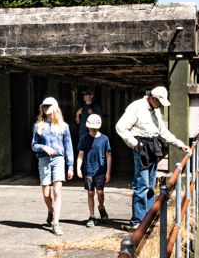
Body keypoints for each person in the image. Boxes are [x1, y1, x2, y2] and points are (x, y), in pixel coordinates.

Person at [115, 86, 191, 230]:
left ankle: (148, 218)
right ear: (153, 98)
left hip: (153, 145)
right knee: (142, 184)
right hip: (141, 145)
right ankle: (137, 221)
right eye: (160, 102)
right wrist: (134, 144)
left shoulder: (155, 109)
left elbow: (163, 132)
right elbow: (120, 127)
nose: (161, 105)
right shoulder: (136, 107)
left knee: (150, 184)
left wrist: (180, 145)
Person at [32, 97, 74, 236]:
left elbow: (68, 146)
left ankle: (56, 223)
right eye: (44, 106)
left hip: (58, 159)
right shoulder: (39, 125)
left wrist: (70, 166)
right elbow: (34, 145)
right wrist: (44, 147)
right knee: (46, 193)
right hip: (44, 159)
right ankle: (51, 211)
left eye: (48, 106)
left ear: (55, 107)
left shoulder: (63, 126)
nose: (45, 108)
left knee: (57, 190)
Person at [76, 114, 112, 227]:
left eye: (95, 127)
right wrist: (78, 168)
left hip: (100, 169)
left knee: (99, 192)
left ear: (99, 126)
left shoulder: (104, 139)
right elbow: (80, 154)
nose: (93, 129)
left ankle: (101, 207)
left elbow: (108, 155)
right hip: (88, 169)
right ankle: (92, 216)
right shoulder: (84, 138)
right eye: (91, 127)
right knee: (90, 192)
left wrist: (108, 172)